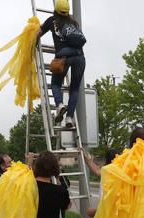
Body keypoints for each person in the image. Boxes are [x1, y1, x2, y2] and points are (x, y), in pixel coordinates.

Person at [38, 0, 86, 129]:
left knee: (55, 84)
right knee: (74, 89)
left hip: (63, 58)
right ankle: (69, 118)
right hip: (80, 57)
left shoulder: (51, 21)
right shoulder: (73, 22)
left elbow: (37, 34)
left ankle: (59, 105)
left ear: (56, 10)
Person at [81, 148, 119, 218]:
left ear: (105, 161)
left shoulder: (108, 175)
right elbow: (97, 170)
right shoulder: (120, 173)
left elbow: (109, 205)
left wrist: (95, 212)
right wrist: (88, 161)